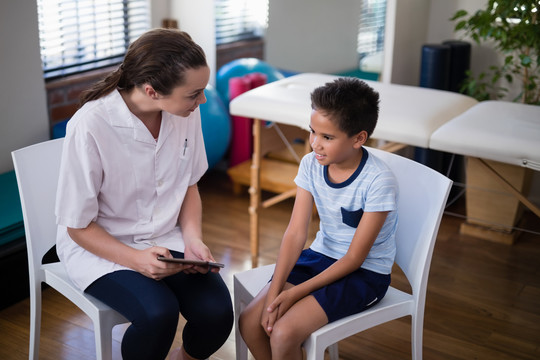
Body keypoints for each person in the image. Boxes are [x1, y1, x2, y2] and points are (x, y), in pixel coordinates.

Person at [55, 28, 233, 360]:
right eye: (194, 94)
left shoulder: (184, 112)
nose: (203, 101)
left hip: (168, 238)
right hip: (102, 248)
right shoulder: (90, 125)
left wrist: (193, 241)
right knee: (157, 315)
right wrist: (136, 259)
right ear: (151, 91)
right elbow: (77, 226)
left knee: (217, 314)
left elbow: (189, 185)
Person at [238, 77, 399, 359]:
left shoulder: (378, 180)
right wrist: (276, 291)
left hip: (364, 274)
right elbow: (295, 233)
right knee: (251, 322)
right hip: (319, 257)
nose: (315, 143)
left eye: (327, 137)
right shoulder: (311, 164)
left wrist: (294, 293)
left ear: (358, 138)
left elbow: (355, 259)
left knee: (284, 332)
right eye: (313, 131)